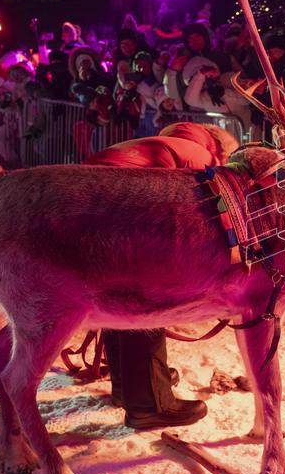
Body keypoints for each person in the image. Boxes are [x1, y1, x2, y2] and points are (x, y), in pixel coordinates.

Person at [84, 122, 240, 429]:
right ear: (219, 150)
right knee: (148, 301)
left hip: (94, 206)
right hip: (124, 212)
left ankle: (127, 386)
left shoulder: (161, 145)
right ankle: (150, 403)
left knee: (119, 301)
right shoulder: (199, 156)